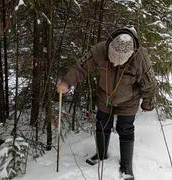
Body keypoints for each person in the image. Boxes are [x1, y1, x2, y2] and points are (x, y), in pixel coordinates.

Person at [57, 27, 157, 179]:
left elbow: (149, 84)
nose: (115, 64)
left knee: (125, 129)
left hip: (129, 100)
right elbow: (81, 67)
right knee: (102, 124)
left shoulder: (140, 57)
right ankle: (101, 155)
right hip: (105, 96)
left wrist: (148, 103)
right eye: (112, 59)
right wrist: (66, 82)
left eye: (120, 62)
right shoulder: (100, 50)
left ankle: (126, 166)